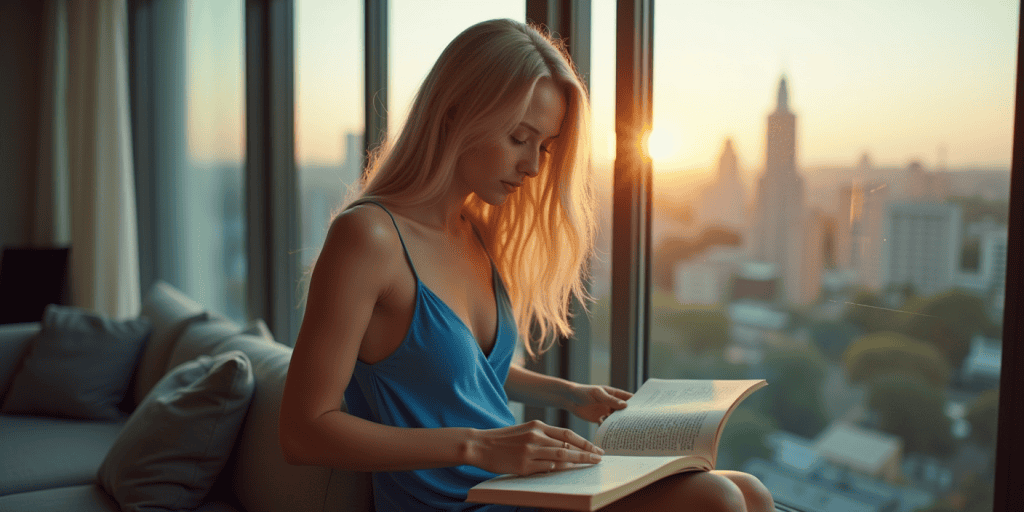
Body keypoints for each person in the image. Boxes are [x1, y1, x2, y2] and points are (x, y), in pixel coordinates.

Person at [279, 18, 775, 512]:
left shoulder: (473, 231)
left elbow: (454, 371)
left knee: (751, 492)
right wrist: (481, 446)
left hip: (521, 487)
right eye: (519, 138)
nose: (535, 166)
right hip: (457, 503)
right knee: (718, 498)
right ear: (454, 114)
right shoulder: (368, 238)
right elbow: (303, 432)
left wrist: (572, 393)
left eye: (545, 146)